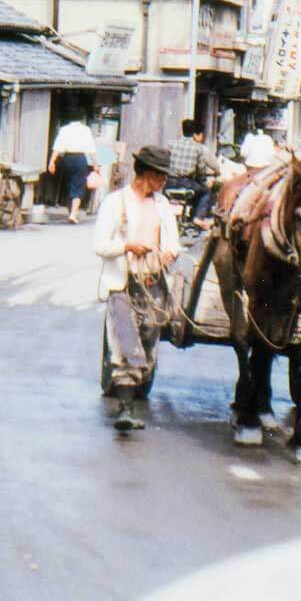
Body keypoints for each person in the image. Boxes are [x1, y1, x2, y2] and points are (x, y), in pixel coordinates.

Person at [95, 146, 179, 432]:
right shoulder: (115, 203)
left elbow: (173, 243)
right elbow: (100, 245)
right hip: (123, 284)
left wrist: (168, 253)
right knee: (125, 344)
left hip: (153, 285)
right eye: (160, 176)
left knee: (148, 344)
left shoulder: (162, 205)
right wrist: (127, 246)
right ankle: (125, 409)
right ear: (146, 174)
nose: (163, 181)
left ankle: (134, 395)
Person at [50, 117, 99, 224]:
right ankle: (73, 214)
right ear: (81, 118)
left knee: (68, 185)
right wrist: (95, 164)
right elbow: (91, 148)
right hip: (80, 159)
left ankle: (70, 212)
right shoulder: (85, 130)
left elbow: (57, 147)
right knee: (78, 185)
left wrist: (51, 161)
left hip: (66, 159)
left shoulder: (64, 129)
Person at [164, 119, 216, 205]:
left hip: (170, 182)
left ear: (182, 130)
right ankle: (197, 217)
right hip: (187, 183)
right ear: (193, 133)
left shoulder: (170, 144)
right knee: (206, 193)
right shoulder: (198, 148)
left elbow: (165, 162)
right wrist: (202, 181)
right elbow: (201, 170)